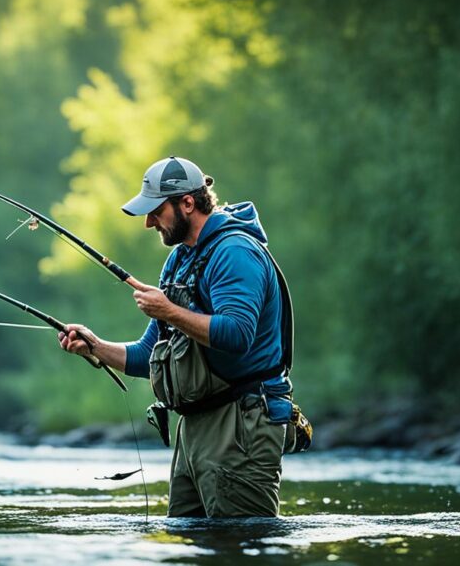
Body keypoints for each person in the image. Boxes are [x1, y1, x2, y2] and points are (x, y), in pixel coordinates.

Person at [58, 156, 296, 517]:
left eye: (156, 210)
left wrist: (168, 310)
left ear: (188, 203)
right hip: (194, 430)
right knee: (190, 545)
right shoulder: (180, 259)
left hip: (240, 424)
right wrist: (96, 347)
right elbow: (146, 355)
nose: (148, 222)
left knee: (242, 547)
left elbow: (237, 334)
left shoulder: (234, 252)